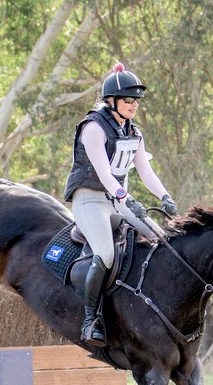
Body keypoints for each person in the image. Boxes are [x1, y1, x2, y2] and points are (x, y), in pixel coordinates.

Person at [63, 62, 178, 348]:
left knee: (161, 238)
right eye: (129, 99)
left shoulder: (133, 132)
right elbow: (103, 173)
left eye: (136, 100)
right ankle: (91, 320)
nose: (134, 105)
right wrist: (127, 199)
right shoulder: (93, 128)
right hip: (90, 199)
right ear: (111, 101)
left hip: (118, 200)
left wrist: (165, 196)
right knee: (106, 254)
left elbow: (146, 173)